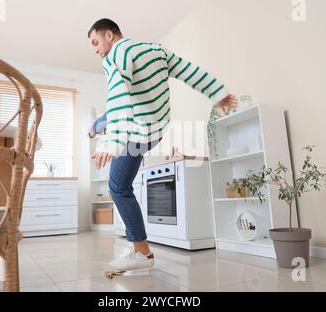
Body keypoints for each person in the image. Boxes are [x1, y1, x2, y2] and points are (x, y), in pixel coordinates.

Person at [88, 18, 237, 273]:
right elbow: (189, 71)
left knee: (118, 187)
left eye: (96, 42)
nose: (96, 49)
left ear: (110, 36)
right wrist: (217, 92)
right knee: (102, 120)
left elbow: (118, 97)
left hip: (136, 129)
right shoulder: (156, 49)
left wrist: (112, 142)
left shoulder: (116, 55)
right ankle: (95, 126)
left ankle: (142, 253)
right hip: (157, 128)